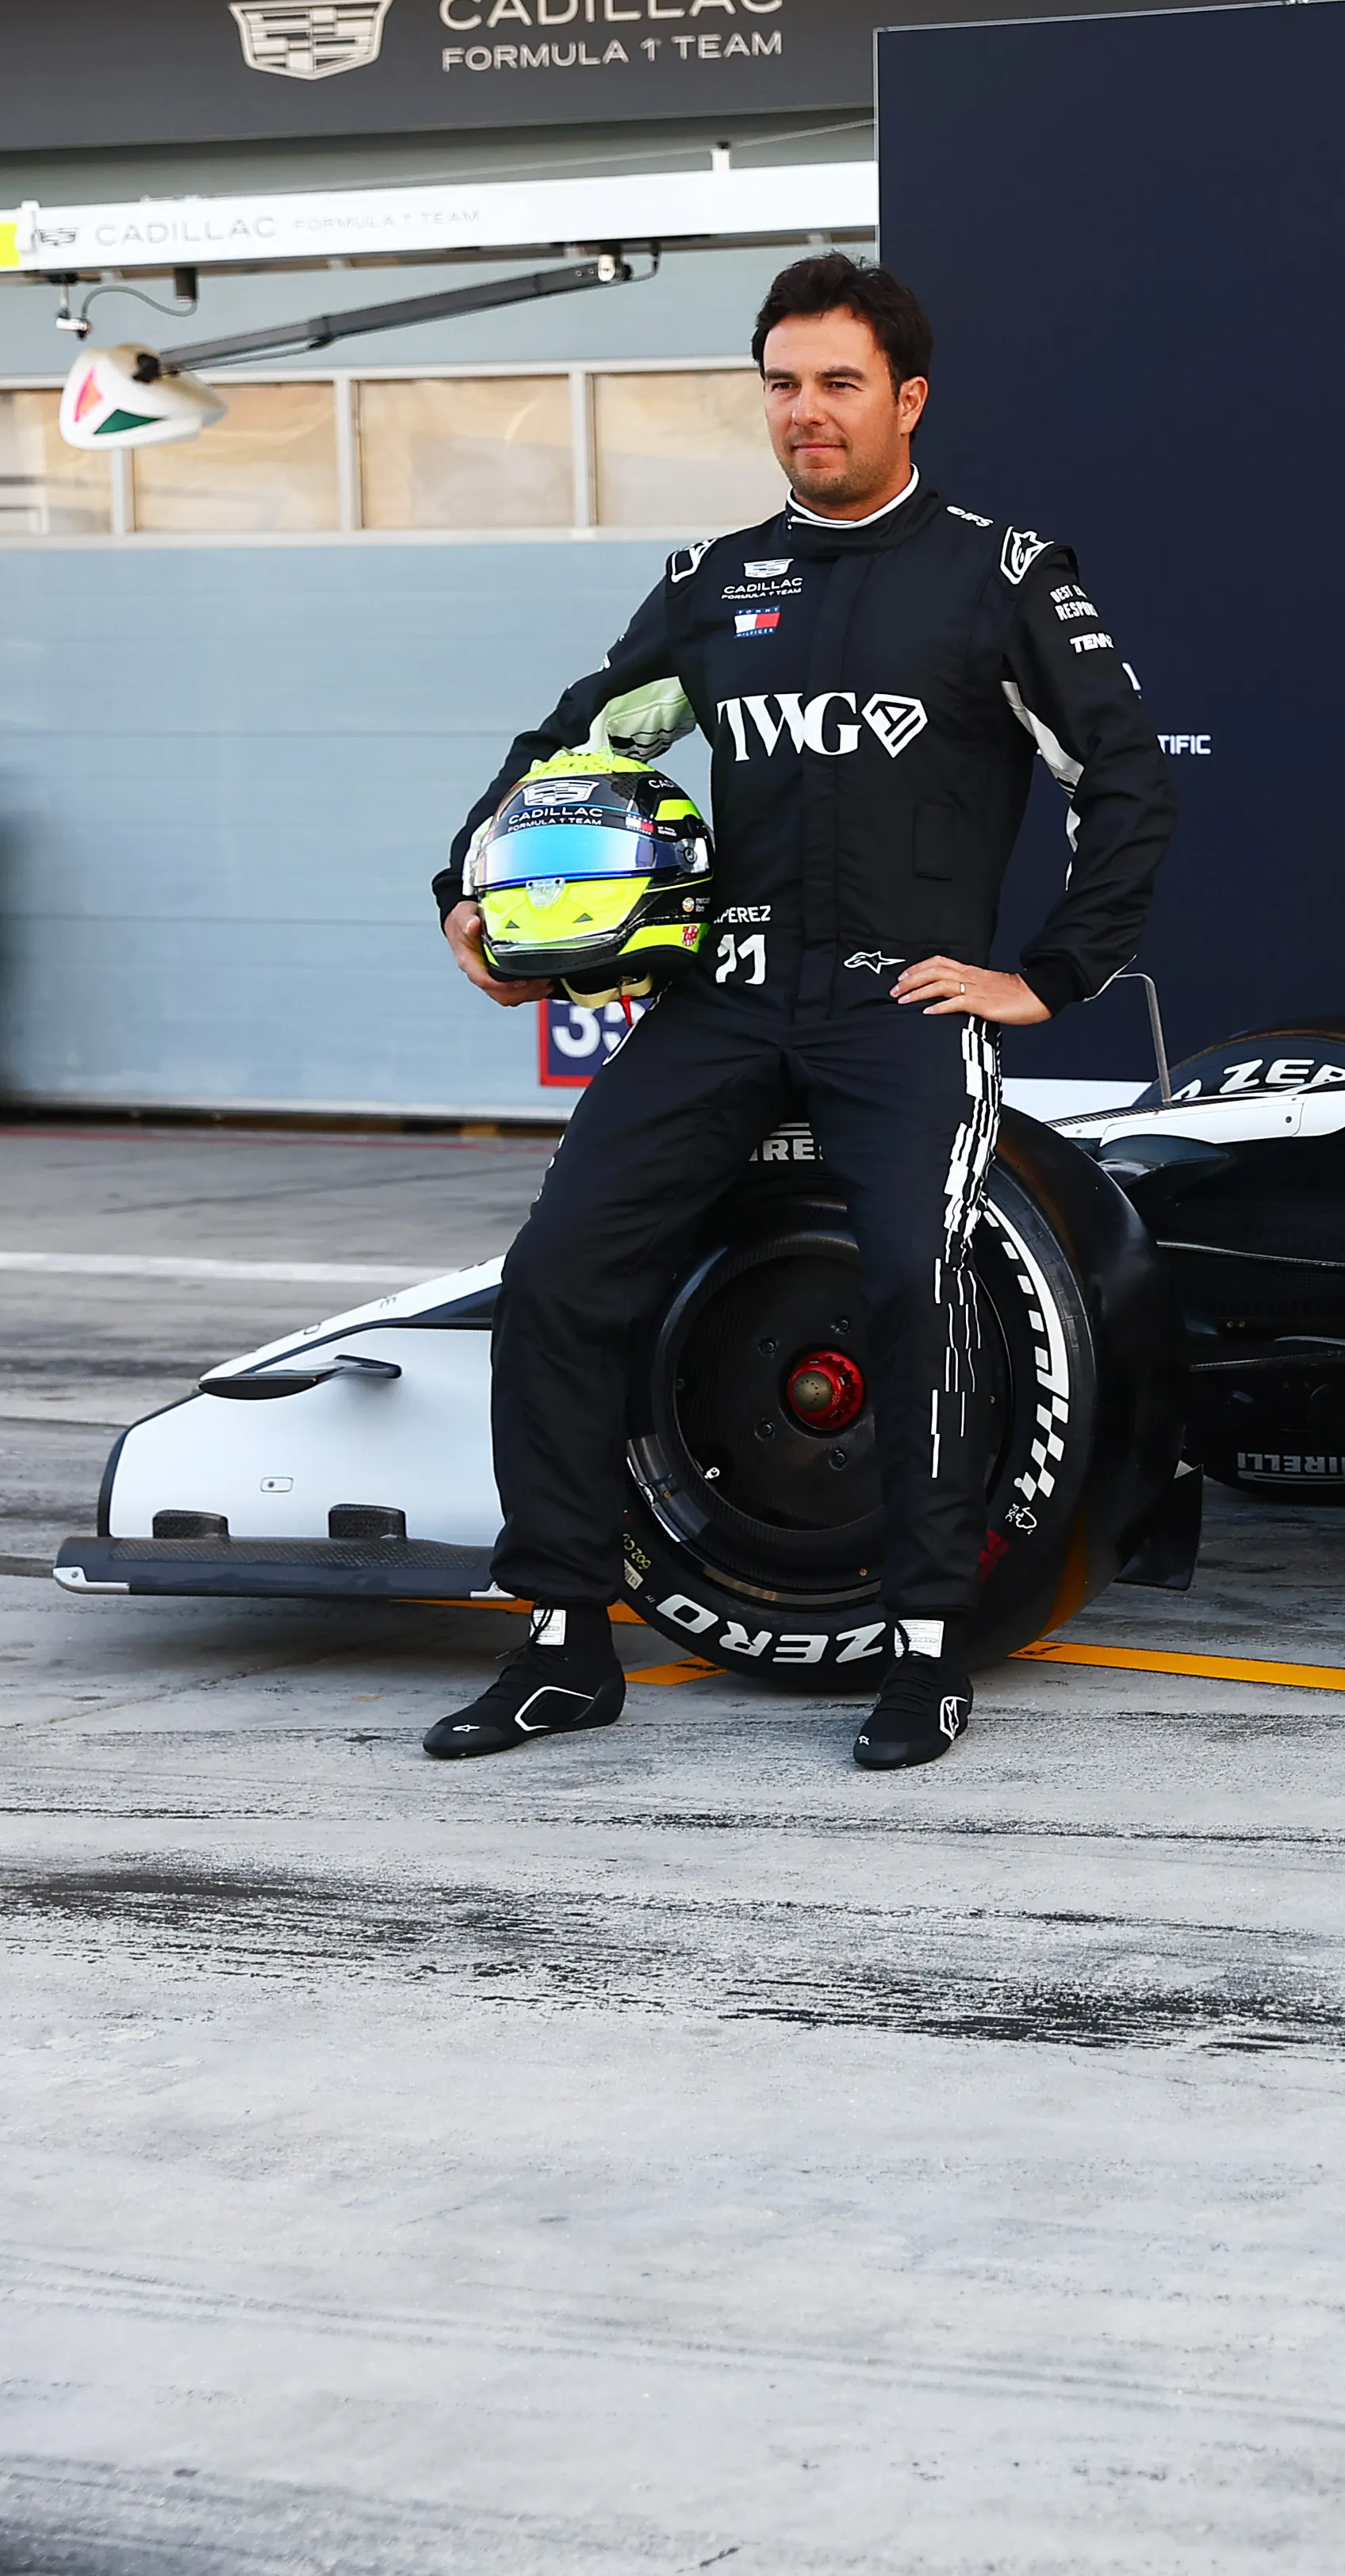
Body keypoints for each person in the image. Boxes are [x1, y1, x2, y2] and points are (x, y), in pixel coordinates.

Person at [422, 255, 1175, 1770]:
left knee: (909, 1277)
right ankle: (565, 1640)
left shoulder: (1002, 574)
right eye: (782, 383)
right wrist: (469, 890)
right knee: (560, 1272)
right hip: (718, 998)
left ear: (908, 398)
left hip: (897, 1005)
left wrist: (1050, 974)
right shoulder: (716, 583)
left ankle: (923, 1646)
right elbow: (569, 739)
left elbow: (1130, 783)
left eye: (839, 383)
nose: (806, 413)